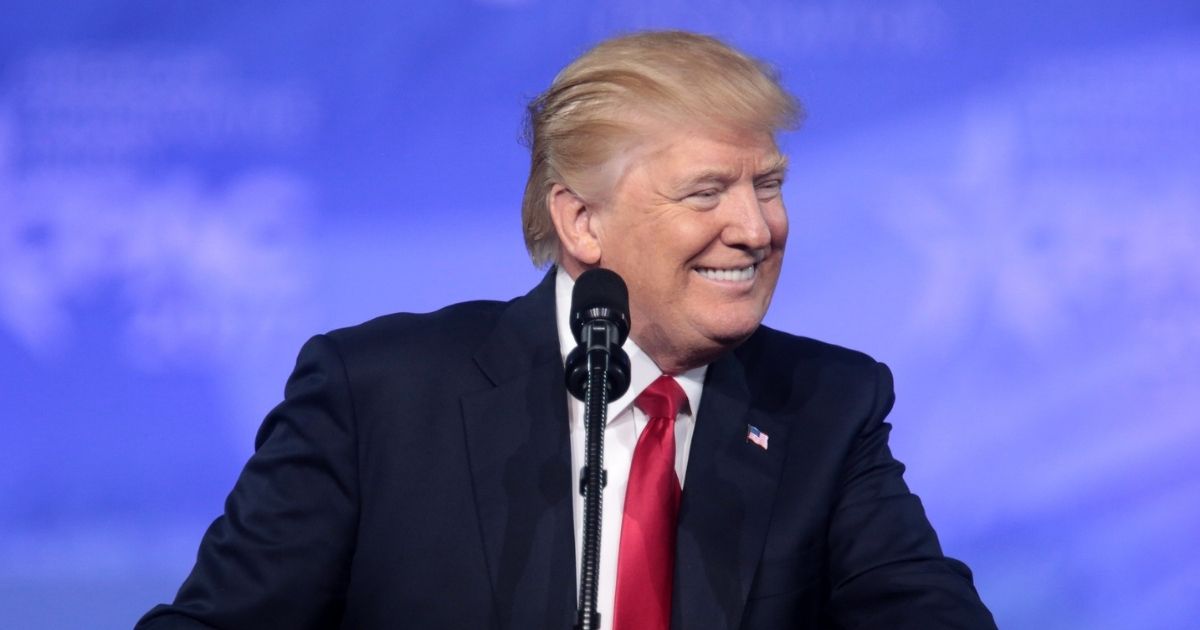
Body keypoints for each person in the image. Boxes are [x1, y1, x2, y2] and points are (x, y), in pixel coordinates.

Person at [138, 31, 995, 629]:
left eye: (767, 184)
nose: (757, 227)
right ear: (582, 222)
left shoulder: (825, 408)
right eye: (707, 192)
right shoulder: (379, 396)